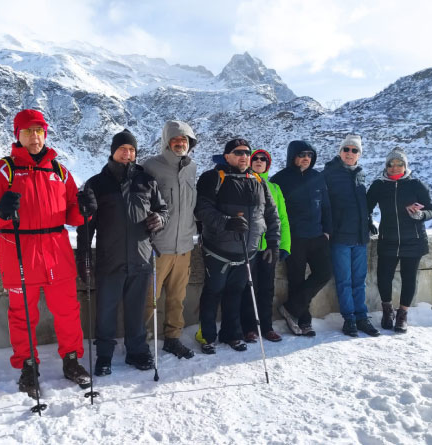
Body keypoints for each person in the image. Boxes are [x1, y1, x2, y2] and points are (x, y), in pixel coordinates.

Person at [0, 109, 90, 398]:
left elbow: (73, 215)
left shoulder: (60, 172)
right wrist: (0, 212)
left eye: (39, 131)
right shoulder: (2, 171)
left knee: (68, 311)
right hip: (19, 252)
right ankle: (27, 365)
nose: (35, 136)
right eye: (28, 131)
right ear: (18, 135)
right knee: (22, 315)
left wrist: (86, 208)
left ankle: (72, 360)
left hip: (56, 250)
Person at [76, 129, 168, 376]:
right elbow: (85, 226)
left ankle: (137, 351)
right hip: (110, 259)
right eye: (123, 149)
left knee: (137, 310)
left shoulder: (146, 181)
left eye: (132, 150)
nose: (127, 154)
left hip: (141, 257)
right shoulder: (96, 183)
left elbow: (163, 210)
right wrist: (83, 258)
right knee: (105, 310)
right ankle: (104, 355)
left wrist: (159, 218)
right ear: (113, 152)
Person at [194, 138, 280, 354]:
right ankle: (207, 336)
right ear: (227, 156)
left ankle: (232, 334)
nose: (244, 156)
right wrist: (226, 222)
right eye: (238, 152)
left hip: (247, 251)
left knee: (236, 292)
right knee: (213, 292)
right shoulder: (213, 178)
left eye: (247, 153)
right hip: (217, 250)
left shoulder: (258, 180)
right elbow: (202, 209)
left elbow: (271, 214)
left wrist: (272, 242)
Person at [142, 120, 198, 359]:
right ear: (167, 141)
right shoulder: (151, 166)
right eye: (176, 140)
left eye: (185, 140)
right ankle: (141, 342)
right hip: (158, 246)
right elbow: (142, 202)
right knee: (148, 298)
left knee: (178, 297)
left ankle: (173, 338)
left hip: (184, 246)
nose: (180, 143)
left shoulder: (192, 167)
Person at [367, 147, 432, 333]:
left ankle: (403, 314)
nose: (395, 167)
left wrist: (421, 215)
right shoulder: (379, 185)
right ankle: (387, 310)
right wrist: (367, 222)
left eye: (399, 164)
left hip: (413, 240)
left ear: (405, 166)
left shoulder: (416, 185)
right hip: (388, 239)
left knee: (409, 278)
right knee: (384, 276)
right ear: (386, 166)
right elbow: (366, 207)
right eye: (391, 164)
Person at [271, 140, 332, 337]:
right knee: (296, 279)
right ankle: (303, 320)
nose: (306, 158)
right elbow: (275, 211)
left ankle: (290, 308)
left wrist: (327, 231)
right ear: (293, 156)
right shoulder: (280, 179)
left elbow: (326, 206)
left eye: (309, 155)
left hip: (317, 236)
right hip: (294, 237)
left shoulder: (317, 177)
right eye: (302, 154)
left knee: (324, 273)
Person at [323, 135, 380, 337]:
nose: (350, 153)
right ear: (340, 152)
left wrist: (368, 220)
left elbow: (361, 202)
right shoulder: (329, 173)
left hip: (359, 236)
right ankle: (349, 319)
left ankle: (362, 317)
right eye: (346, 149)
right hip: (339, 237)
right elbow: (324, 204)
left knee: (359, 280)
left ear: (359, 155)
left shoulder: (360, 174)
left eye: (354, 150)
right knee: (344, 280)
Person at [240, 149, 291, 343]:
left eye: (264, 159)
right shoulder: (243, 183)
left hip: (269, 246)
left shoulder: (275, 188)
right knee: (247, 288)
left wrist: (283, 245)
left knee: (267, 288)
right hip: (249, 246)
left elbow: (282, 219)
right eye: (256, 158)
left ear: (268, 165)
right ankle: (249, 328)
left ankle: (266, 326)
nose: (259, 161)